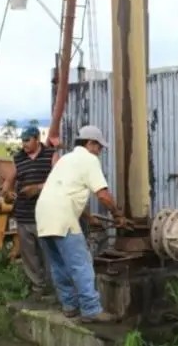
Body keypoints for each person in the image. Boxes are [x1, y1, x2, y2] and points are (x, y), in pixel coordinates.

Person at [35, 125, 130, 324]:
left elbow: (65, 191)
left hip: (43, 215)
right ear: (90, 144)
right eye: (99, 147)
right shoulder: (89, 160)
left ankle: (69, 306)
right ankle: (91, 310)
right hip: (62, 216)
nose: (100, 151)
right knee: (81, 264)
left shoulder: (65, 159)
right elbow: (103, 195)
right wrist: (117, 214)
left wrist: (87, 217)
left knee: (59, 264)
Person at [2, 125, 58, 299]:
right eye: (22, 141)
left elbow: (59, 180)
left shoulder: (51, 155)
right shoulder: (18, 159)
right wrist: (7, 193)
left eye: (27, 140)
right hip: (24, 214)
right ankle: (37, 287)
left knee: (49, 253)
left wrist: (38, 188)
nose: (24, 144)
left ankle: (54, 288)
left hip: (46, 215)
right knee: (29, 255)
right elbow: (8, 182)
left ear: (37, 139)